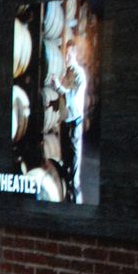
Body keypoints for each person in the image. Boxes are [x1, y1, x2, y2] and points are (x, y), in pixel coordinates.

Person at [47, 39, 87, 202]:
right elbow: (63, 99)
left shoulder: (78, 74)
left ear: (75, 55)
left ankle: (76, 202)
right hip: (65, 123)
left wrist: (58, 86)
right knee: (65, 163)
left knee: (73, 169)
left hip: (74, 124)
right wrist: (52, 103)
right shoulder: (67, 73)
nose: (67, 57)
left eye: (70, 54)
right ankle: (66, 198)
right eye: (66, 54)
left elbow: (70, 96)